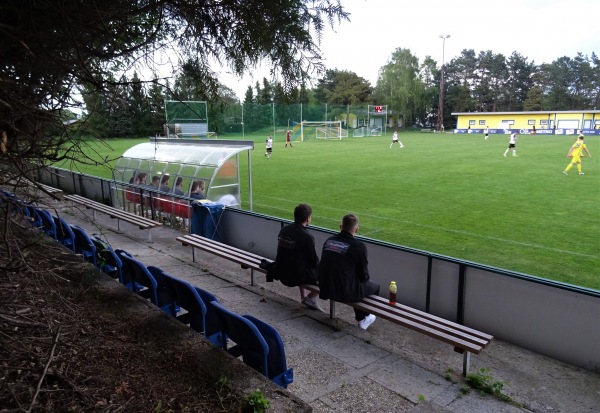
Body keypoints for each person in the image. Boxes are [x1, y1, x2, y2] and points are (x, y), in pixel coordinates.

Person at [318, 214, 380, 330]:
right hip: (342, 291)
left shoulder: (329, 240)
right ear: (356, 229)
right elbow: (363, 275)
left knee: (352, 282)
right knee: (375, 286)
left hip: (325, 286)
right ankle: (363, 317)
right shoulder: (358, 246)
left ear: (340, 226)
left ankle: (363, 316)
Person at [272, 204, 323, 311]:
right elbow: (313, 261)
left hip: (281, 271)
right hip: (293, 276)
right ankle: (310, 298)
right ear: (308, 218)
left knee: (298, 259)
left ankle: (304, 297)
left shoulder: (284, 229)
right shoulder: (307, 236)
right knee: (328, 276)